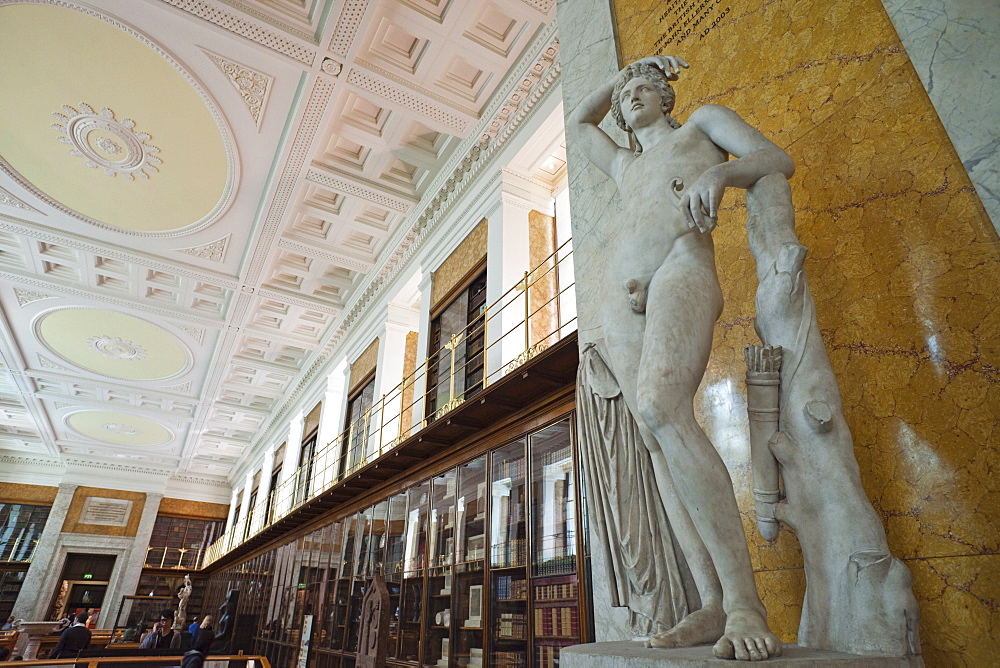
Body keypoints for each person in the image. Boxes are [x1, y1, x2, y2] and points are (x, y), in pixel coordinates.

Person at [568, 55, 794, 661]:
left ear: (666, 96)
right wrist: (615, 78)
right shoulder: (625, 164)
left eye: (644, 87)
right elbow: (578, 123)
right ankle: (711, 601)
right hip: (623, 296)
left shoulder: (701, 127)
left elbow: (776, 159)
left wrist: (721, 176)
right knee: (652, 430)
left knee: (662, 406)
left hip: (682, 268)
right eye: (625, 95)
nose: (632, 97)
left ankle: (747, 603)